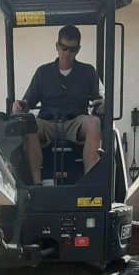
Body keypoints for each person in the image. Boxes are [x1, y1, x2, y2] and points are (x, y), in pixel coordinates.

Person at [12, 25, 104, 184]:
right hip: (47, 123)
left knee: (94, 122)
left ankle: (90, 183)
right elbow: (28, 102)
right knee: (29, 123)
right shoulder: (43, 72)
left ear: (78, 49)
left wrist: (102, 105)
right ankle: (36, 184)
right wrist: (19, 105)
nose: (67, 53)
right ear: (57, 46)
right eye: (63, 48)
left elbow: (99, 99)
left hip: (75, 123)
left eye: (72, 49)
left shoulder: (88, 72)